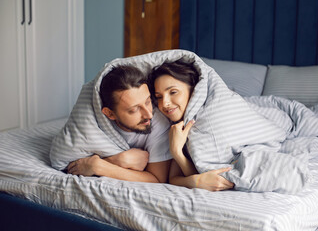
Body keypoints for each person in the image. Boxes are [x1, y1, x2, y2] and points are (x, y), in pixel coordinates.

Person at [50, 65, 172, 183]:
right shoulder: (90, 127)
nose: (149, 115)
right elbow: (67, 163)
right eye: (134, 110)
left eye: (148, 101)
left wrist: (99, 166)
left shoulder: (158, 123)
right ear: (109, 114)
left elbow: (157, 179)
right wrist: (118, 160)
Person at [149, 61, 234, 191]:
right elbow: (174, 178)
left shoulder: (212, 116)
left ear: (194, 91)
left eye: (173, 92)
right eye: (159, 97)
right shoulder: (176, 127)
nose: (164, 103)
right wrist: (177, 152)